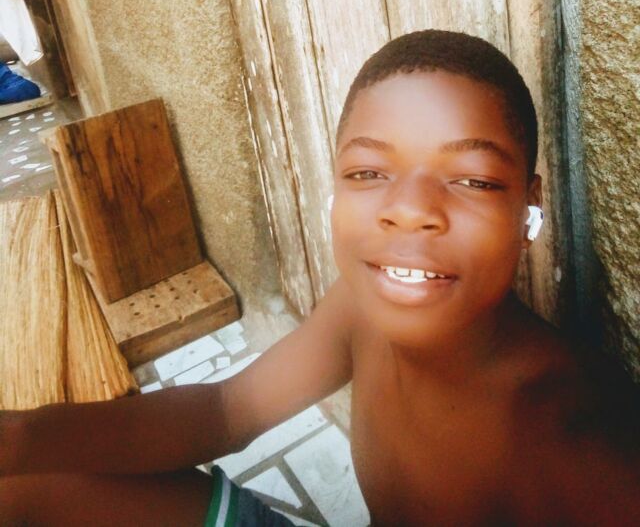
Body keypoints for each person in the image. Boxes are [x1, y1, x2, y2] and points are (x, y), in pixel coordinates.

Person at [1, 30, 639, 526]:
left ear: (529, 210)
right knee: (28, 478)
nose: (409, 209)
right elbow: (225, 411)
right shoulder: (358, 313)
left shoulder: (577, 447)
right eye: (368, 173)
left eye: (473, 180)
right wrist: (19, 438)